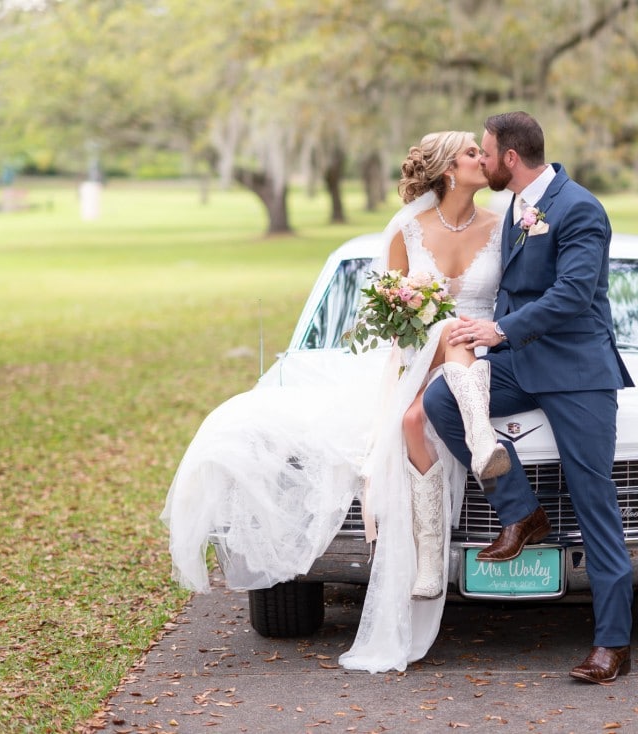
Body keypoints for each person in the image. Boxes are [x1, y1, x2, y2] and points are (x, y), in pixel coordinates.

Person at [160, 130, 506, 674]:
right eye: (471, 154)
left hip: (484, 359)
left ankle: (469, 460)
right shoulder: (405, 231)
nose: (482, 161)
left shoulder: (502, 227)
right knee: (411, 416)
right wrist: (420, 331)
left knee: (451, 346)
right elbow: (389, 318)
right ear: (446, 170)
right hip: (416, 358)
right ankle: (428, 560)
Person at [422, 111, 636, 684]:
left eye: (485, 154)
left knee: (594, 497)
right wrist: (474, 331)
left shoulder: (580, 207)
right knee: (444, 400)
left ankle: (612, 644)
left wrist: (500, 332)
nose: (482, 162)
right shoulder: (516, 206)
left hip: (576, 371)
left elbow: (572, 294)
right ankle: (523, 512)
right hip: (518, 363)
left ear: (510, 158)